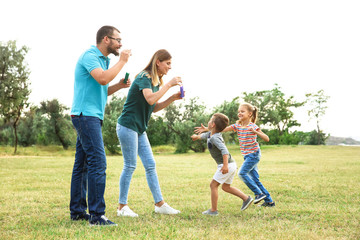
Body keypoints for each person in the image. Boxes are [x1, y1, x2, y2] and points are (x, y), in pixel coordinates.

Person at [70, 25, 132, 226]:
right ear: (106, 39)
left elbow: (102, 88)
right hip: (85, 116)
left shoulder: (103, 60)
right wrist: (122, 61)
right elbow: (103, 78)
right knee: (98, 162)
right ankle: (97, 216)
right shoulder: (90, 56)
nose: (120, 44)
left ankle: (78, 211)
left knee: (83, 165)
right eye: (118, 40)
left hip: (90, 116)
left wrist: (120, 86)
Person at [116, 49, 182, 217]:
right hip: (128, 126)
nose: (170, 67)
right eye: (168, 63)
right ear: (158, 62)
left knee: (150, 164)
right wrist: (169, 85)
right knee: (130, 165)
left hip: (139, 128)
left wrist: (172, 98)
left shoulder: (155, 81)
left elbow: (153, 107)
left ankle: (159, 204)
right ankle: (122, 207)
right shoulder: (144, 77)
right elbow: (150, 99)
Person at [195, 103, 275, 207]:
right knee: (255, 179)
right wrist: (207, 128)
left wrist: (255, 131)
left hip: (254, 154)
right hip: (247, 156)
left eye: (242, 111)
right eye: (239, 112)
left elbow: (267, 138)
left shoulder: (253, 126)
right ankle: (269, 202)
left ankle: (258, 194)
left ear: (250, 114)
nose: (239, 113)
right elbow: (220, 129)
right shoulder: (237, 126)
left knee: (242, 173)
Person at [191, 113, 253, 216]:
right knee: (226, 187)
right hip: (231, 164)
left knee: (213, 185)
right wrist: (196, 137)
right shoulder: (211, 134)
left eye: (210, 120)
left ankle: (213, 210)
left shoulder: (215, 137)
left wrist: (225, 166)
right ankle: (246, 199)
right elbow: (203, 135)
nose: (208, 122)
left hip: (227, 165)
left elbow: (225, 151)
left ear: (213, 124)